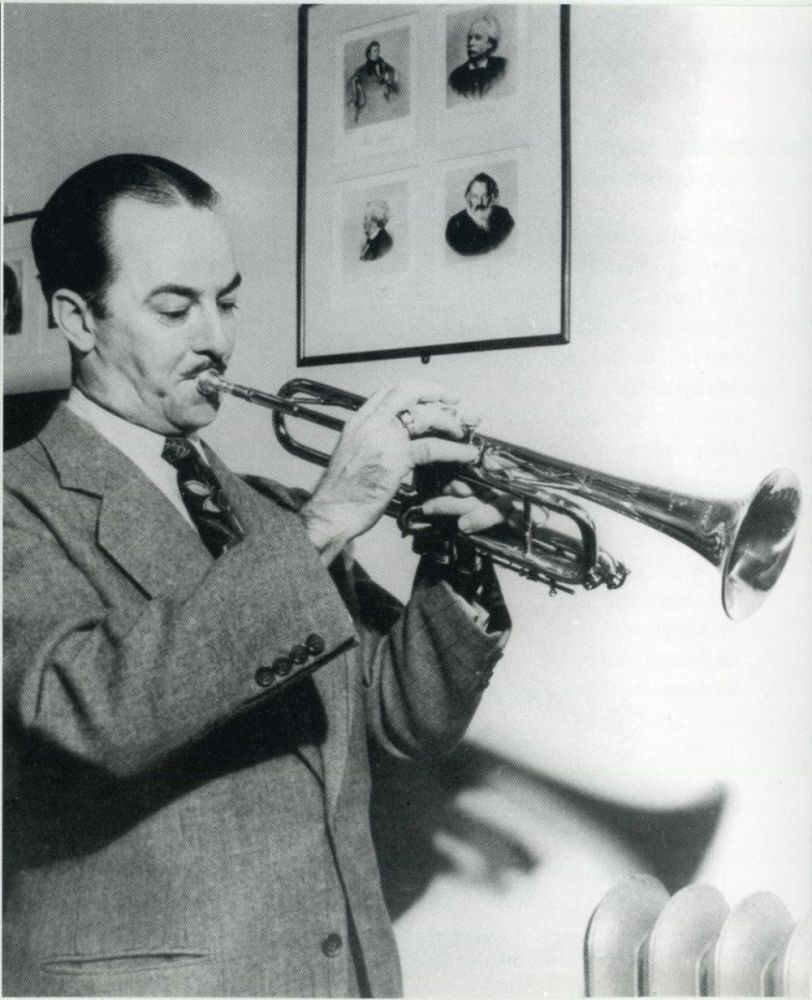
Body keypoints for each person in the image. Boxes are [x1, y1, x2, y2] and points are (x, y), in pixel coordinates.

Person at [2, 154, 511, 998]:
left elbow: (401, 716)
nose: (216, 338)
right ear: (77, 318)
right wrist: (325, 522)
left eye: (228, 301)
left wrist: (456, 565)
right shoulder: (19, 501)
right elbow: (91, 710)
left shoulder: (267, 510)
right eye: (175, 308)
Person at [445, 172, 515, 257]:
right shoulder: (454, 225)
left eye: (485, 196)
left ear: (492, 197)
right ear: (468, 197)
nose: (480, 202)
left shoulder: (504, 215)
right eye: (475, 196)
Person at [448, 14, 508, 100]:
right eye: (469, 38)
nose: (470, 43)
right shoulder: (455, 77)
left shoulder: (502, 67)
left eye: (478, 38)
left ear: (490, 44)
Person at [347, 40, 399, 125]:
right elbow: (355, 77)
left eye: (378, 50)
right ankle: (357, 110)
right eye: (375, 51)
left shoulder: (382, 62)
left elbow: (391, 70)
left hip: (383, 90)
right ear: (369, 53)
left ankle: (388, 95)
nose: (377, 52)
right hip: (369, 90)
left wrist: (388, 80)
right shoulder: (364, 68)